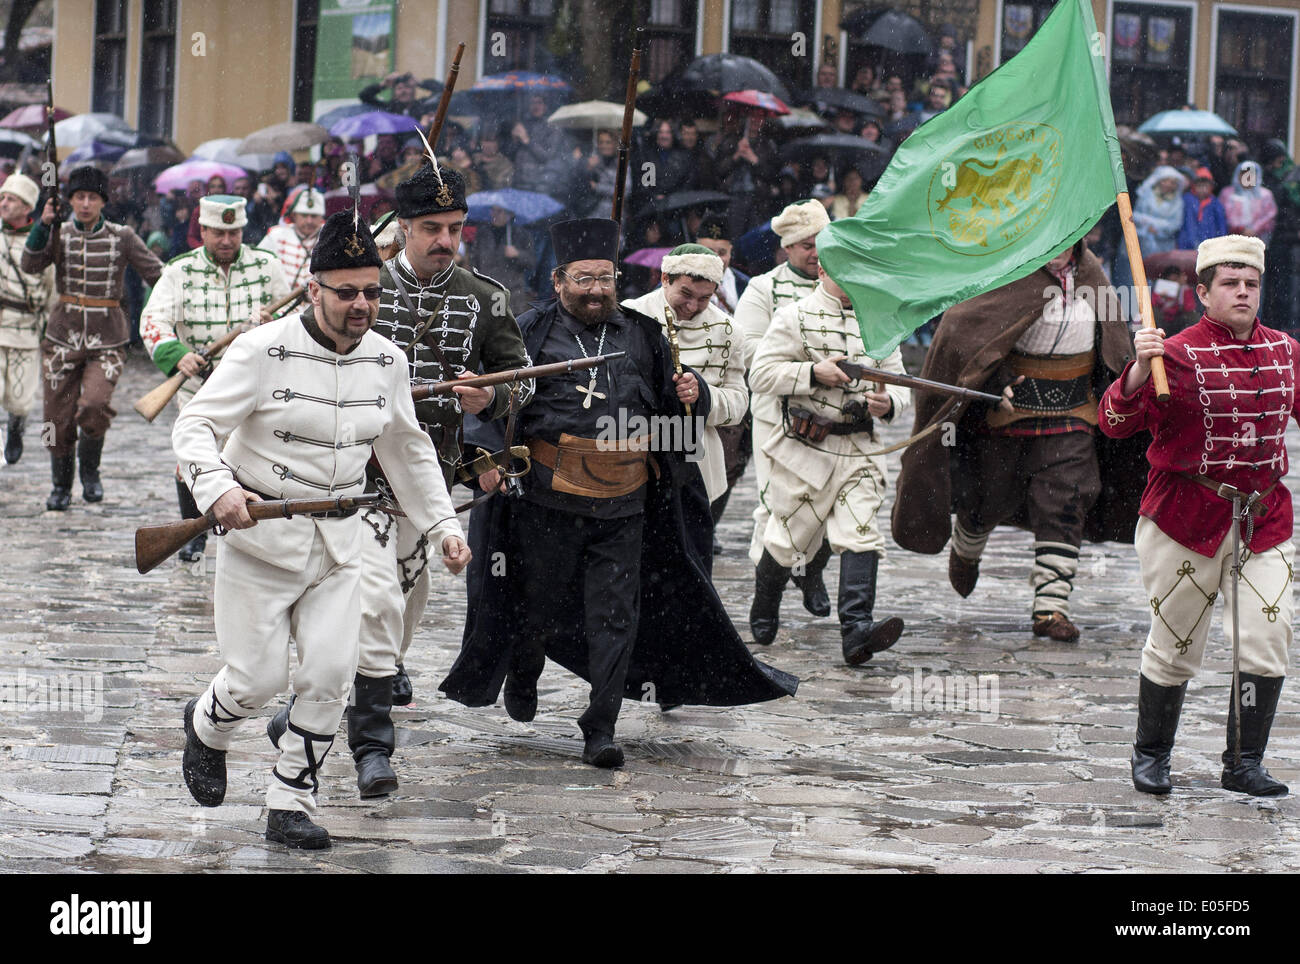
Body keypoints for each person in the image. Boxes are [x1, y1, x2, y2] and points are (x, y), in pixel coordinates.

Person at [441, 217, 797, 765]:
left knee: (615, 614)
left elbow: (672, 417)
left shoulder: (643, 334)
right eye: (584, 279)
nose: (596, 290)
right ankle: (525, 666)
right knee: (538, 605)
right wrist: (487, 448)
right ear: (559, 280)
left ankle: (599, 727)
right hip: (546, 498)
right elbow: (498, 396)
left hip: (625, 502)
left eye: (605, 279)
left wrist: (692, 396)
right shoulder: (529, 331)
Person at [174, 208, 469, 849]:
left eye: (371, 291)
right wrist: (217, 488)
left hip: (343, 542)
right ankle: (206, 725)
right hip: (260, 539)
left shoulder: (387, 361)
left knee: (330, 677)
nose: (361, 304)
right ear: (314, 289)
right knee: (255, 682)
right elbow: (194, 427)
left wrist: (444, 524)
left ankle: (291, 801)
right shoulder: (262, 350)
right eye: (346, 292)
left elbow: (407, 450)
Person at [267, 162, 535, 799]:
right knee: (377, 606)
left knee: (399, 621)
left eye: (455, 228)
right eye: (432, 227)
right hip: (355, 480)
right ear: (404, 228)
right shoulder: (364, 286)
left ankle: (310, 711)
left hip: (432, 482)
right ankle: (373, 751)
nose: (446, 239)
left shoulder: (487, 295)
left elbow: (521, 376)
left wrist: (489, 402)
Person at [1099, 235, 1295, 798]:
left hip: (1265, 518)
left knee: (1267, 636)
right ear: (1202, 292)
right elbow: (1114, 423)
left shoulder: (1286, 349)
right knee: (1176, 643)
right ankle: (1152, 754)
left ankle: (1243, 763)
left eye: (1251, 284)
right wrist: (1139, 370)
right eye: (1230, 284)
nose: (1242, 293)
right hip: (1184, 517)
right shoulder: (1173, 355)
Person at [892, 240, 1137, 641]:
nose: (1057, 250)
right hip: (1008, 414)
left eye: (1066, 242)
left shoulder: (1092, 277)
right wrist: (997, 379)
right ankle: (967, 544)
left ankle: (1051, 607)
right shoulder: (1008, 271)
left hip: (1074, 411)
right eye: (1051, 240)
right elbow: (970, 335)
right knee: (989, 497)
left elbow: (1113, 344)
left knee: (1067, 499)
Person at [748, 264, 910, 663]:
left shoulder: (880, 321)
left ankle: (856, 631)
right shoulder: (793, 316)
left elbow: (901, 381)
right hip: (805, 450)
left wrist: (889, 403)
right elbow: (760, 375)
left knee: (860, 533)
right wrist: (811, 373)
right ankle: (765, 601)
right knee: (788, 541)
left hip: (860, 448)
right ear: (822, 269)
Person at [140, 195, 290, 560]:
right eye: (219, 233)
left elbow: (294, 316)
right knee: (192, 460)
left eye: (234, 232)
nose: (226, 240)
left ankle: (246, 532)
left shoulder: (266, 266)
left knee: (255, 459)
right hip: (198, 384)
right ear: (203, 230)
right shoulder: (179, 270)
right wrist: (178, 357)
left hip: (256, 385)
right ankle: (192, 532)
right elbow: (153, 320)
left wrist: (271, 329)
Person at [22, 166, 164, 510]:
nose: (85, 204)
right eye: (79, 197)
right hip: (61, 338)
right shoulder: (58, 234)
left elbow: (157, 274)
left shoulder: (123, 236)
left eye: (92, 197)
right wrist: (42, 224)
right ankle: (59, 484)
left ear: (103, 201)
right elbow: (29, 264)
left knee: (95, 406)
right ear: (69, 200)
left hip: (108, 339)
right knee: (53, 420)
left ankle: (91, 472)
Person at [734, 199, 832, 623]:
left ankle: (812, 572)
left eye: (821, 243)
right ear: (787, 248)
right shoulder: (764, 288)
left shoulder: (845, 283)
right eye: (806, 245)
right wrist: (807, 366)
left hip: (834, 413)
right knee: (775, 501)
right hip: (778, 410)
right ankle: (765, 597)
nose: (815, 253)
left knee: (827, 499)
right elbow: (749, 350)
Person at [621, 243, 749, 558]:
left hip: (698, 459)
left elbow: (738, 402)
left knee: (691, 561)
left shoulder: (729, 330)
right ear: (665, 278)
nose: (692, 306)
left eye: (704, 298)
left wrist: (703, 394)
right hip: (639, 454)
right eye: (686, 294)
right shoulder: (629, 315)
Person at [0, 173, 55, 464]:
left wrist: (49, 331)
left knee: (19, 398)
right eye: (2, 198)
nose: (4, 203)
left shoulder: (40, 245)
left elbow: (50, 291)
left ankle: (16, 428)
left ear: (26, 207)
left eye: (11, 199)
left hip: (25, 329)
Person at [1260, 139, 1300, 333]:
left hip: (1287, 239)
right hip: (1272, 239)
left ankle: (1286, 325)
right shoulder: (1265, 176)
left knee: (1286, 285)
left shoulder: (1291, 175)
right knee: (1271, 285)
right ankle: (1273, 323)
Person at [469, 204, 535, 316]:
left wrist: (517, 254)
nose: (495, 215)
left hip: (512, 293)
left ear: (509, 214)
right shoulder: (483, 233)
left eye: (499, 211)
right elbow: (474, 260)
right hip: (487, 290)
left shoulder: (520, 234)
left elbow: (531, 262)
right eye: (493, 210)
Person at [257, 187, 326, 289]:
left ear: (321, 217)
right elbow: (258, 265)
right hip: (284, 302)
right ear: (294, 215)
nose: (309, 221)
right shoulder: (277, 235)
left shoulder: (329, 236)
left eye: (314, 216)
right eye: (304, 215)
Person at [1220, 160, 1277, 244]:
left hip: (1258, 239)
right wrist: (1240, 229)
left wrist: (1254, 229)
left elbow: (1269, 215)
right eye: (1243, 174)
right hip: (1232, 239)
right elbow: (1224, 214)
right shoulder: (1227, 193)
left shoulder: (1265, 194)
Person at [1177, 167, 1227, 250]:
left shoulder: (1216, 204)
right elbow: (1185, 223)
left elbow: (1221, 226)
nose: (1202, 189)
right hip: (1187, 244)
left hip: (1211, 244)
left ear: (1211, 187)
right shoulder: (1187, 200)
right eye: (1199, 186)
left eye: (1205, 186)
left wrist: (1221, 243)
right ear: (1194, 186)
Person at [359, 70, 440, 120]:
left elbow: (441, 92)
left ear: (414, 90)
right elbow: (364, 96)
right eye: (399, 88)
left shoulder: (423, 106)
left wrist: (420, 83)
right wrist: (383, 85)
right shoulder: (389, 108)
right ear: (394, 92)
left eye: (407, 87)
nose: (403, 91)